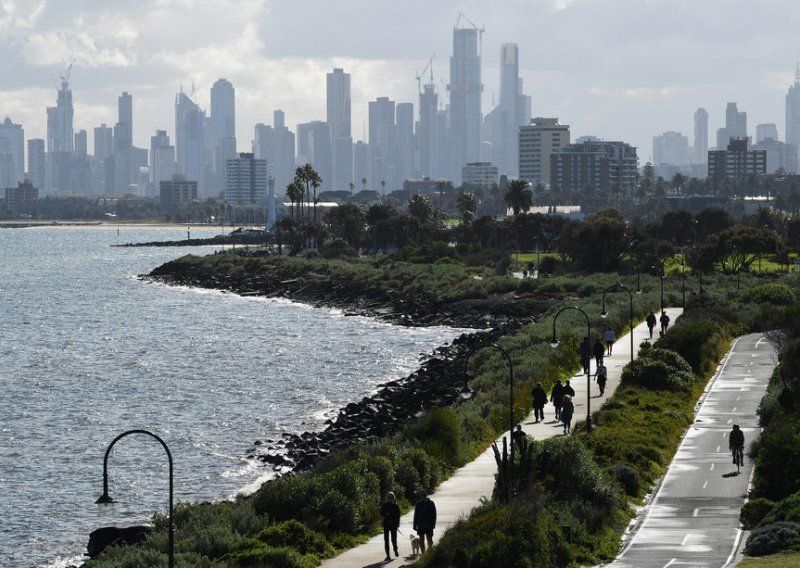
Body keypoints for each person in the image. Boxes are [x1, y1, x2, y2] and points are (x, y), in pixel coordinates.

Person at [380, 492, 401, 561]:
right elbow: (381, 513)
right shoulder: (384, 505)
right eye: (389, 497)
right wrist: (386, 514)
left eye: (392, 497)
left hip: (393, 525)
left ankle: (395, 549)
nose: (390, 499)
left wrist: (397, 524)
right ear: (387, 498)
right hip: (386, 525)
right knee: (386, 540)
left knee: (393, 539)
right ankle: (388, 555)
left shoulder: (396, 506)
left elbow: (398, 516)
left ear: (394, 498)